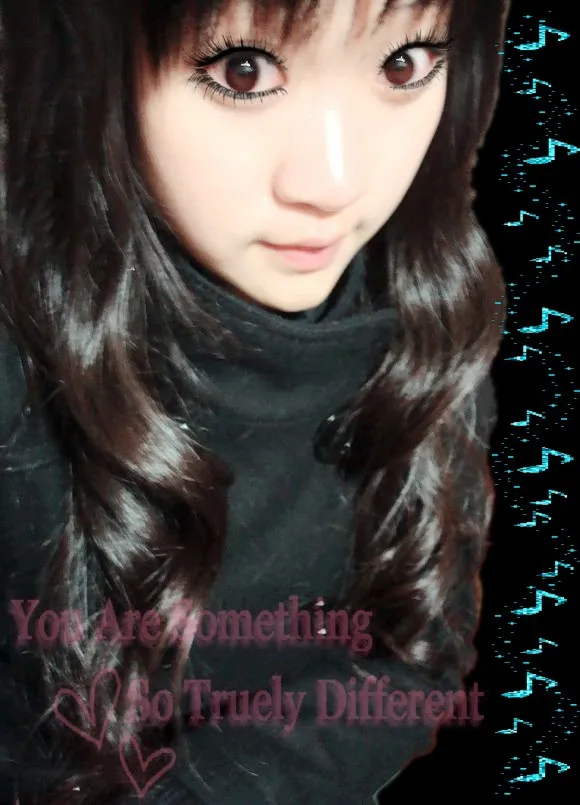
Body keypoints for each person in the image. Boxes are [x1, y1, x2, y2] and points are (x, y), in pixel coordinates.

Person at [0, 0, 508, 802]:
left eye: (402, 65)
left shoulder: (428, 317)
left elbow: (422, 653)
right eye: (245, 72)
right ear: (93, 65)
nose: (335, 182)